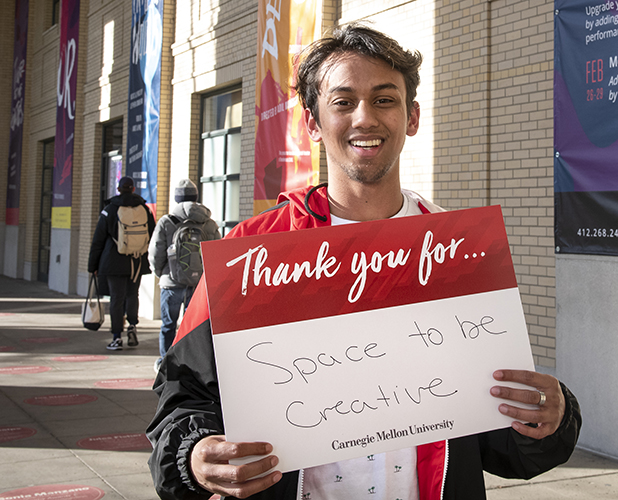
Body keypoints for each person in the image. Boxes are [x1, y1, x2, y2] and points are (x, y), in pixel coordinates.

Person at [147, 24, 581, 499]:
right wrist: (193, 455)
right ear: (313, 123)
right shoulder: (254, 254)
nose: (364, 118)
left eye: (384, 99)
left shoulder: (458, 253)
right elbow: (183, 395)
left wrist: (550, 417)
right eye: (343, 101)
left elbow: (501, 440)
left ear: (411, 117)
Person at [148, 178, 221, 372]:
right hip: (197, 285)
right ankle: (191, 363)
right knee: (193, 327)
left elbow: (156, 252)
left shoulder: (167, 221)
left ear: (176, 198)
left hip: (171, 283)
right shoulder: (208, 222)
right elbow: (216, 253)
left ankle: (166, 363)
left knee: (168, 325)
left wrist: (162, 274)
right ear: (195, 197)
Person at [88, 176, 156, 350]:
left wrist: (93, 265)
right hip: (136, 261)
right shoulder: (145, 209)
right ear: (133, 189)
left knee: (116, 299)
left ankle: (117, 337)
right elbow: (152, 235)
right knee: (133, 295)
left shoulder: (109, 209)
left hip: (113, 261)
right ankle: (132, 326)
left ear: (118, 189)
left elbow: (98, 240)